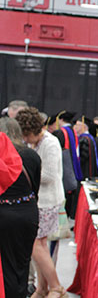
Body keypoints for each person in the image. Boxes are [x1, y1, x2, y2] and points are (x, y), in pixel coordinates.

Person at [15, 108, 67, 298]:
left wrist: (23, 174)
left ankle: (56, 287)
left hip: (48, 201)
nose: (25, 139)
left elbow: (49, 176)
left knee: (36, 245)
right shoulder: (34, 144)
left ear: (34, 130)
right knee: (40, 246)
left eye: (26, 135)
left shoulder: (50, 143)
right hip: (39, 201)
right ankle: (42, 288)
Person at [0, 119, 40, 298]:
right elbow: (35, 188)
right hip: (28, 212)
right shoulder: (31, 155)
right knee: (23, 263)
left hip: (4, 214)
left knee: (6, 266)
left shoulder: (2, 157)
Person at [73, 115, 98, 179]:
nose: (75, 127)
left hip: (85, 171)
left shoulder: (85, 139)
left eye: (78, 125)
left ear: (84, 127)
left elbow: (83, 157)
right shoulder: (89, 138)